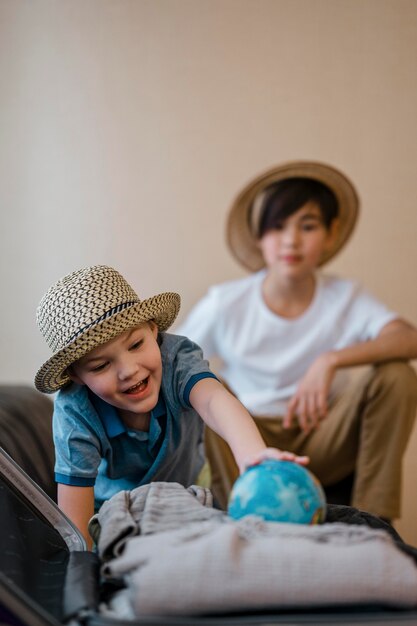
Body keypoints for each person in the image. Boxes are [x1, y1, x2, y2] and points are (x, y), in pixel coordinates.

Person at [177, 160, 417, 520]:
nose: (291, 240)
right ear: (259, 238)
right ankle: (234, 519)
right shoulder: (226, 302)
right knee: (203, 385)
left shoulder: (346, 296)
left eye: (308, 226)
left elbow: (408, 339)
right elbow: (173, 361)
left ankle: (372, 524)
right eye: (277, 227)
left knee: (396, 375)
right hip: (249, 439)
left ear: (331, 232)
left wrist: (331, 360)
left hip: (322, 436)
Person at [35, 264, 307, 548]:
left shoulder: (176, 359)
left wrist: (253, 454)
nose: (128, 370)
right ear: (77, 376)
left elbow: (214, 400)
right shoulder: (74, 411)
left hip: (188, 494)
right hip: (115, 511)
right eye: (102, 365)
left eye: (136, 344)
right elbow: (75, 531)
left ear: (153, 330)